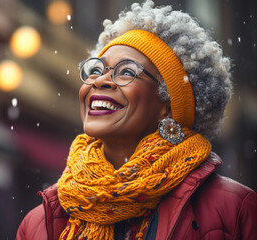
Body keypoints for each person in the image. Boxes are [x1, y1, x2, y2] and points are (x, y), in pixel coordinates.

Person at [16, 1, 257, 239]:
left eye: (127, 72)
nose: (99, 81)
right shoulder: (38, 223)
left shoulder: (235, 210)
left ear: (168, 105)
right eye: (96, 70)